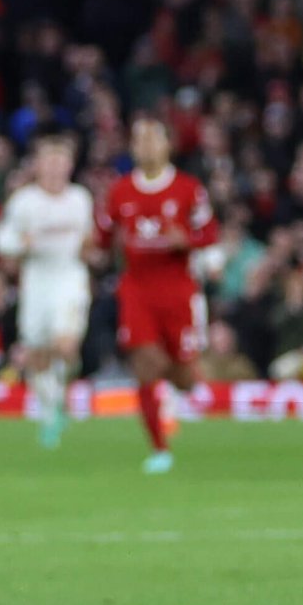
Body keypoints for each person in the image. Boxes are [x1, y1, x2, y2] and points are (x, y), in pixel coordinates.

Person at [94, 116, 217, 473]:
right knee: (147, 365)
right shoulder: (119, 192)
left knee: (182, 373)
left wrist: (188, 242)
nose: (145, 145)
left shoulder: (188, 189)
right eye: (139, 139)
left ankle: (180, 399)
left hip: (178, 290)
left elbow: (209, 233)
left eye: (152, 138)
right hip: (137, 290)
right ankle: (160, 448)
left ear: (168, 145)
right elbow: (103, 238)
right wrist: (95, 250)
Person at [0, 133, 94, 447]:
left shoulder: (80, 199)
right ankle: (51, 410)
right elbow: (1, 241)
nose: (54, 168)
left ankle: (60, 395)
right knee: (37, 354)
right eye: (48, 162)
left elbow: (88, 240)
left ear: (69, 166)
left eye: (60, 162)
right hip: (36, 281)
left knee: (65, 346)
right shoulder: (25, 201)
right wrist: (22, 243)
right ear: (37, 166)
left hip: (68, 278)